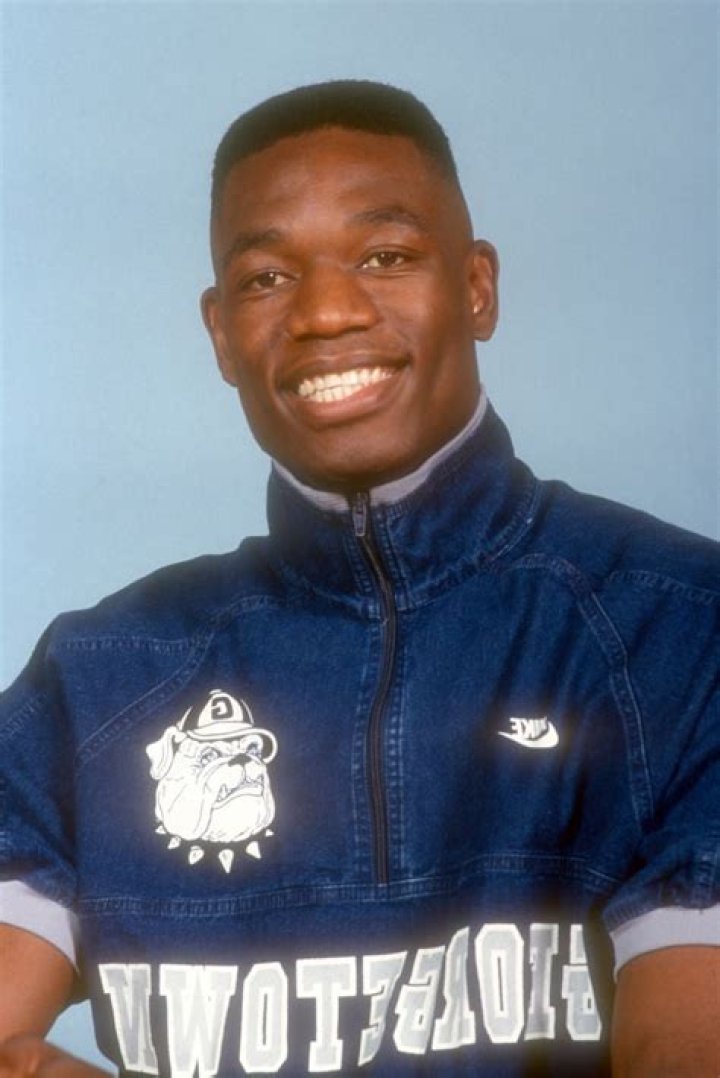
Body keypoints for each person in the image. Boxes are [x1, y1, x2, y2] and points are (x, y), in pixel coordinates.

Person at [0, 80, 718, 1077]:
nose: (326, 313)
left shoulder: (678, 630)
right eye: (266, 278)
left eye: (385, 256)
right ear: (220, 334)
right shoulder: (99, 673)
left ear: (477, 287)